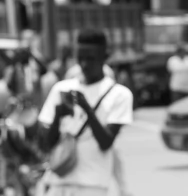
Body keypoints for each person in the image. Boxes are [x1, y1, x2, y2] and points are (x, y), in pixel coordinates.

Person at [38, 29, 133, 195]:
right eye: (80, 58)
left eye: (91, 59)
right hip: (59, 183)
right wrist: (58, 116)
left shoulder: (120, 95)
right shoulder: (61, 89)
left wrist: (87, 109)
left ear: (105, 57)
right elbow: (47, 144)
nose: (84, 64)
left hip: (93, 185)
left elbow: (106, 142)